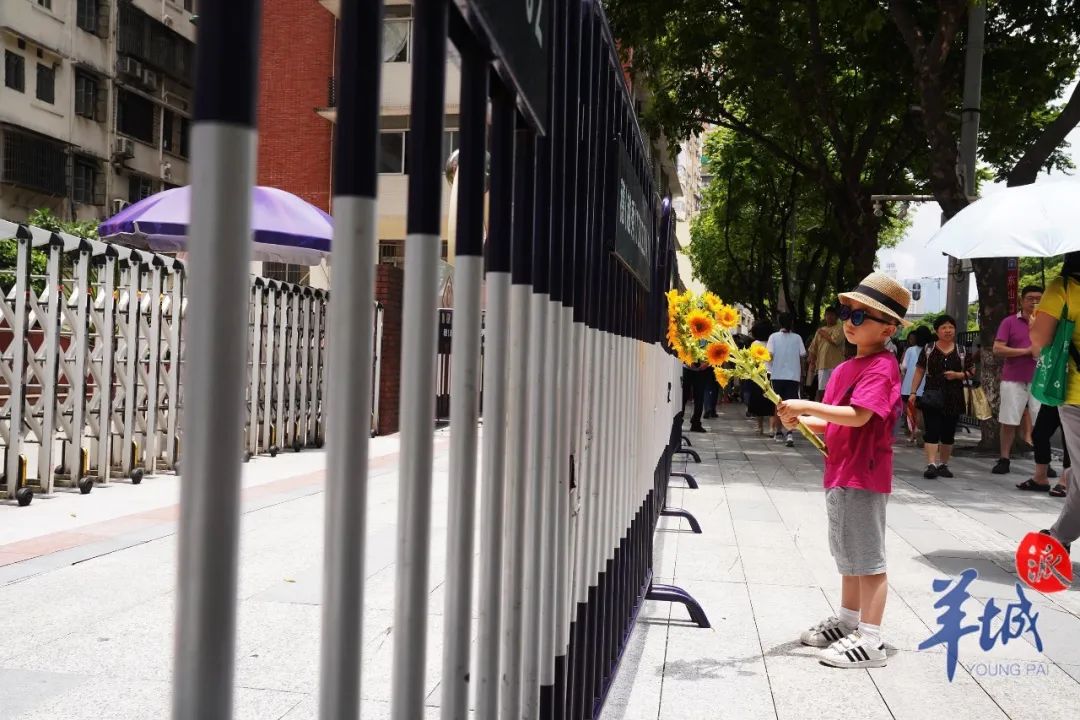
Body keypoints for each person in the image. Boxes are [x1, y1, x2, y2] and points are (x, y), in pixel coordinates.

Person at [777, 271, 909, 669]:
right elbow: (836, 423)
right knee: (848, 553)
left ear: (887, 328)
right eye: (847, 313)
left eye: (859, 317)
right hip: (841, 472)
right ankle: (849, 620)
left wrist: (807, 407)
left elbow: (858, 416)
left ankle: (870, 639)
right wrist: (799, 421)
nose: (849, 322)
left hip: (863, 475)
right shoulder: (846, 369)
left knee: (868, 560)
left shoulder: (882, 366)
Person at [1029, 252, 1080, 552]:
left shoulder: (1063, 287)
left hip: (1075, 394)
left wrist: (1037, 321)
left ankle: (1059, 537)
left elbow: (1039, 341)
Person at [907, 315, 976, 479]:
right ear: (937, 331)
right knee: (932, 431)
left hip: (954, 396)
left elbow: (971, 371)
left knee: (948, 432)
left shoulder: (962, 351)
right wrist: (913, 392)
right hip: (932, 395)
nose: (948, 330)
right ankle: (931, 464)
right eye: (944, 327)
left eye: (950, 327)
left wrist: (958, 375)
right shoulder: (929, 349)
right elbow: (919, 371)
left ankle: (943, 464)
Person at [992, 285, 1044, 475]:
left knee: (1042, 422)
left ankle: (1042, 462)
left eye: (1039, 298)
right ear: (1022, 300)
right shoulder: (1009, 322)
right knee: (1008, 420)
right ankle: (1004, 458)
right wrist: (1025, 351)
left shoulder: (1048, 323)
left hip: (1040, 380)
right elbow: (997, 349)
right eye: (1030, 298)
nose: (1034, 301)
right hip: (1013, 378)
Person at [767, 313, 807, 447]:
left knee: (777, 404)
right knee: (791, 406)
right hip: (793, 376)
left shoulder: (773, 337)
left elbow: (769, 356)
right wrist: (802, 373)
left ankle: (778, 431)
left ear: (779, 322)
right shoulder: (797, 338)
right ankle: (789, 433)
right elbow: (802, 356)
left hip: (777, 375)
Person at [1022, 404, 1068, 495]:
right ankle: (1040, 478)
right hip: (1055, 395)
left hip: (1075, 398)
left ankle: (1066, 481)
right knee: (1039, 434)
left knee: (1068, 438)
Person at [807, 306, 845, 401]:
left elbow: (835, 340)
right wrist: (811, 361)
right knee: (821, 390)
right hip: (822, 365)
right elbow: (813, 348)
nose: (829, 317)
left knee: (836, 389)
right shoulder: (820, 330)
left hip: (836, 365)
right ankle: (822, 409)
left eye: (832, 315)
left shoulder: (840, 328)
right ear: (824, 316)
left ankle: (835, 410)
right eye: (827, 314)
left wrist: (823, 333)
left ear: (836, 317)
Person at [745, 322, 777, 433]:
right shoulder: (772, 342)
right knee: (771, 402)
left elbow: (751, 360)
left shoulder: (755, 344)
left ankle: (760, 427)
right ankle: (772, 428)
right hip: (772, 374)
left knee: (758, 402)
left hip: (758, 374)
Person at [900, 327, 930, 440]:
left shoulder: (910, 350)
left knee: (910, 410)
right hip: (924, 386)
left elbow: (904, 367)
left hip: (909, 386)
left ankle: (913, 433)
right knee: (921, 411)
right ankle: (921, 432)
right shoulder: (930, 350)